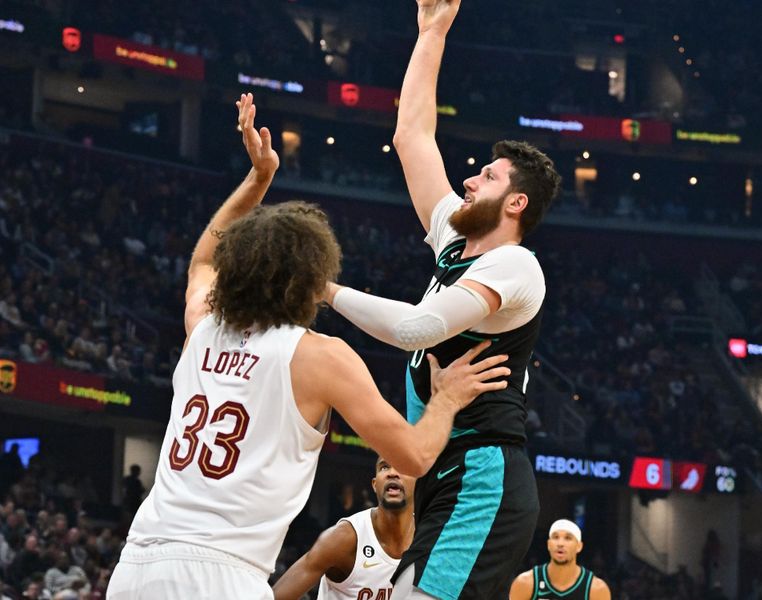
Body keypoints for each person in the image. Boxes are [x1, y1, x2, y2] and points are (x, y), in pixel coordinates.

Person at [105, 93, 511, 600]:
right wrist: (447, 398)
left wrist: (257, 180)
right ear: (313, 278)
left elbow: (203, 259)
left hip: (138, 564)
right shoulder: (320, 355)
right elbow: (413, 456)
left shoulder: (203, 326)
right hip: (223, 574)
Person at [323, 1, 562, 598]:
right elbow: (411, 135)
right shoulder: (457, 240)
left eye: (487, 176)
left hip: (482, 476)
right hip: (443, 475)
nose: (470, 179)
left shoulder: (515, 265)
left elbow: (418, 329)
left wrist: (324, 291)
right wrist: (432, 33)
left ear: (516, 205)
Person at [273, 456, 415, 600]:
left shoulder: (431, 539)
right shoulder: (344, 538)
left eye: (402, 467)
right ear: (374, 485)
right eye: (384, 467)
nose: (392, 473)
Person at [509, 520, 611, 600]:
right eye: (556, 537)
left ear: (579, 546)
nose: (560, 543)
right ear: (549, 544)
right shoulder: (525, 583)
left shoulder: (596, 589)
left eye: (568, 538)